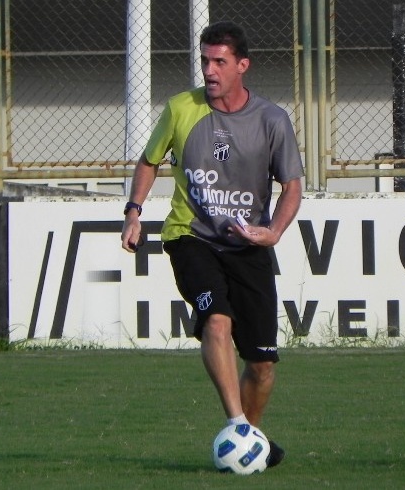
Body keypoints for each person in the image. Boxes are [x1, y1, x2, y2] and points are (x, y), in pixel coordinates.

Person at [121, 21, 303, 468]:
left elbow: (292, 186)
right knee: (216, 322)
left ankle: (248, 441)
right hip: (191, 237)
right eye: (205, 60)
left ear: (243, 65)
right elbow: (149, 161)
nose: (209, 70)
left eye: (219, 61)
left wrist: (274, 232)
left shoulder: (272, 120)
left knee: (262, 366)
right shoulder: (181, 108)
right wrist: (134, 211)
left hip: (249, 245)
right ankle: (239, 428)